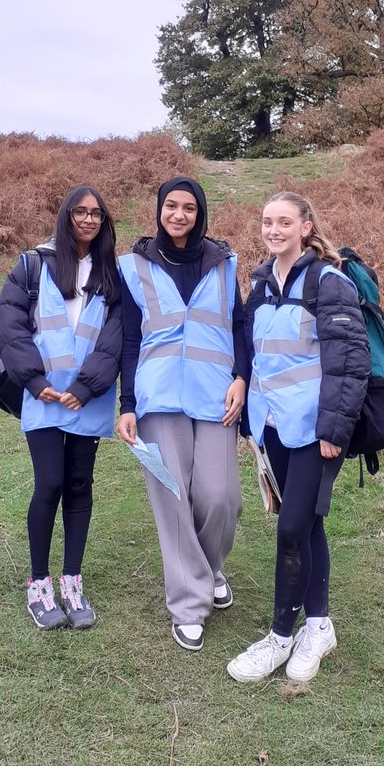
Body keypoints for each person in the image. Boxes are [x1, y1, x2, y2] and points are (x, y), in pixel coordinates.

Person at [228, 192, 370, 683]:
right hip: (274, 427)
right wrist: (248, 408)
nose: (273, 229)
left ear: (305, 227)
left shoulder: (329, 282)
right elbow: (249, 349)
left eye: (284, 222)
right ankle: (320, 625)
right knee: (306, 526)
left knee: (291, 530)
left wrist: (334, 429)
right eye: (267, 221)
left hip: (315, 431)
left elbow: (351, 362)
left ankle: (280, 637)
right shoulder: (261, 281)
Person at [116, 177, 246, 651]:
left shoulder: (225, 263)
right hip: (157, 397)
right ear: (159, 210)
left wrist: (242, 377)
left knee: (221, 496)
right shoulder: (132, 267)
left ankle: (210, 569)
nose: (179, 214)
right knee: (173, 498)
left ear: (200, 213)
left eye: (189, 207)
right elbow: (129, 341)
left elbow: (238, 326)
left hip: (216, 396)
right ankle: (189, 603)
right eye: (171, 205)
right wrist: (127, 404)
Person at [0, 187, 122, 630]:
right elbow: (10, 325)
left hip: (90, 398)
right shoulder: (34, 264)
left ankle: (72, 580)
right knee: (49, 483)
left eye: (96, 214)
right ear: (65, 216)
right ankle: (39, 584)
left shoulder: (113, 272)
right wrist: (35, 381)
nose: (88, 220)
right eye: (80, 212)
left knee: (79, 485)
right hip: (44, 397)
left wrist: (87, 388)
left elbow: (115, 337)